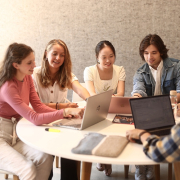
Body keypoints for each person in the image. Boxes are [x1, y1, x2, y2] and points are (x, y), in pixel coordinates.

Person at [0, 42, 84, 180]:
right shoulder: (8, 87)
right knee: (27, 169)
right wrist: (63, 112)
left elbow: (38, 106)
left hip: (16, 132)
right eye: (29, 62)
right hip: (2, 136)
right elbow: (34, 117)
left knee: (45, 158)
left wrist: (66, 113)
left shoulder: (27, 77)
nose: (34, 65)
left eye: (33, 60)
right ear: (16, 65)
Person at [32, 39, 90, 180]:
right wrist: (63, 107)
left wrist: (91, 101)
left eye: (62, 55)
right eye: (55, 54)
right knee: (46, 153)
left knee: (70, 148)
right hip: (42, 121)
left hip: (62, 120)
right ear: (46, 54)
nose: (58, 58)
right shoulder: (34, 74)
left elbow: (80, 89)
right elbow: (36, 105)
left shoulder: (66, 73)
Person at [131, 34, 180, 180]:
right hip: (149, 114)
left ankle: (151, 162)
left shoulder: (176, 66)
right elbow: (138, 90)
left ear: (161, 52)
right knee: (140, 126)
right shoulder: (140, 72)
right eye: (146, 53)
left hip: (170, 113)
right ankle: (142, 168)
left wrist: (163, 103)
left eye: (153, 52)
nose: (149, 57)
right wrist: (136, 100)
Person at [84, 40, 126, 176]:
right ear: (97, 57)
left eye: (111, 56)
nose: (108, 60)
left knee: (115, 127)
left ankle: (105, 159)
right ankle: (103, 159)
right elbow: (92, 95)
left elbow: (121, 93)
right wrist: (108, 99)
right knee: (99, 126)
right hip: (95, 108)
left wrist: (109, 100)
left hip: (113, 108)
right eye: (104, 57)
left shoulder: (119, 70)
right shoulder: (89, 71)